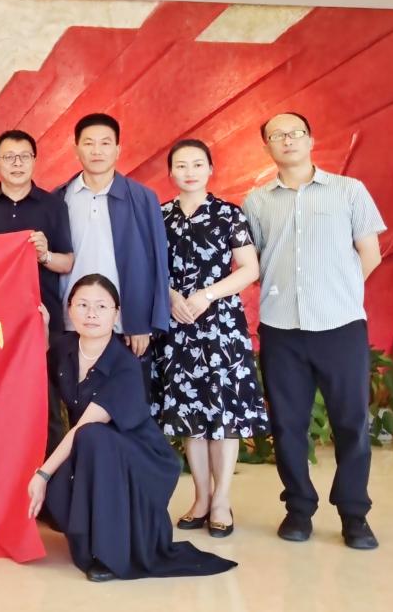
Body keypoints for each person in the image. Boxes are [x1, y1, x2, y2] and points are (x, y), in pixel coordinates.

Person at [27, 274, 236, 582]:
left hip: (139, 456)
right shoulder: (65, 348)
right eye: (82, 305)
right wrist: (43, 330)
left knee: (92, 437)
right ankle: (91, 539)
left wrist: (42, 474)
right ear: (69, 310)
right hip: (93, 452)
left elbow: (85, 425)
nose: (91, 313)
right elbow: (42, 366)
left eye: (101, 306)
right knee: (81, 460)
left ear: (116, 314)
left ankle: (110, 555)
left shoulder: (124, 363)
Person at [243, 112, 385, 549]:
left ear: (310, 139)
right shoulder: (257, 202)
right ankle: (299, 509)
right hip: (282, 328)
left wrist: (338, 292)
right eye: (277, 136)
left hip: (340, 326)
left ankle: (354, 515)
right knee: (288, 424)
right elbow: (253, 262)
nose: (287, 140)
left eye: (295, 133)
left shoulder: (348, 190)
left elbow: (370, 253)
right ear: (267, 146)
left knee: (351, 423)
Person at [155, 139, 267, 538]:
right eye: (181, 165)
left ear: (210, 169)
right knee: (191, 415)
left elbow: (249, 268)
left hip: (220, 324)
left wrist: (206, 295)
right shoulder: (160, 215)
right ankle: (201, 498)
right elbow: (152, 267)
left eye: (197, 164)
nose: (189, 172)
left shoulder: (228, 213)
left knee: (221, 413)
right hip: (177, 323)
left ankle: (222, 500)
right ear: (171, 172)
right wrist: (171, 297)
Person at [0, 129, 73, 455]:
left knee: (47, 403)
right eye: (9, 157)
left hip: (43, 319)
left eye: (24, 156)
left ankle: (52, 481)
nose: (17, 163)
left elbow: (67, 262)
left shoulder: (54, 205)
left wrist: (45, 255)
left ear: (34, 161)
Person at [57, 114, 170, 372]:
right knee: (74, 394)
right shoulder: (60, 197)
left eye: (105, 143)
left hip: (125, 324)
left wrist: (140, 323)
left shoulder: (142, 198)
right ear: (76, 149)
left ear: (118, 150)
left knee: (129, 394)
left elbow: (157, 264)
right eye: (89, 143)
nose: (97, 151)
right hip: (71, 321)